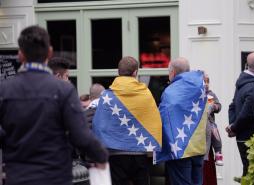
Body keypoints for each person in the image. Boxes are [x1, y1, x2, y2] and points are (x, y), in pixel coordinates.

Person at [0, 25, 108, 185]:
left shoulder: (5, 90)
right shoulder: (63, 90)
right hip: (55, 176)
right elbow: (81, 136)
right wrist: (101, 157)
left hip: (18, 177)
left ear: (20, 55)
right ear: (49, 52)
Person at [92, 56, 162, 185]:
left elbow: (99, 125)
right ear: (135, 72)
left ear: (118, 72)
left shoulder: (107, 96)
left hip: (115, 155)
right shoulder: (145, 94)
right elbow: (154, 121)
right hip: (139, 152)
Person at [155, 57, 207, 185]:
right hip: (199, 147)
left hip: (180, 148)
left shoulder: (171, 91)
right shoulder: (200, 86)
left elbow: (164, 117)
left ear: (172, 72)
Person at [227, 51, 254, 180]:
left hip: (243, 137)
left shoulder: (243, 83)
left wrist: (233, 127)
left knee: (248, 173)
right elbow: (248, 114)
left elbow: (232, 106)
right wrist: (234, 128)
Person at [204, 74, 223, 166]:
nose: (206, 84)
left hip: (210, 121)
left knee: (215, 133)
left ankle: (218, 153)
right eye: (204, 82)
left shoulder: (210, 95)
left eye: (208, 82)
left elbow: (219, 106)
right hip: (200, 123)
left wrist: (215, 106)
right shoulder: (196, 94)